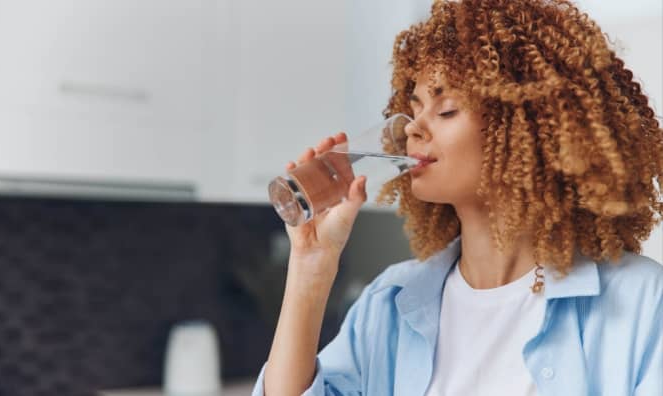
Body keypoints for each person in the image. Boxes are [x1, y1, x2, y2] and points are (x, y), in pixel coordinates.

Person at [253, 0, 663, 394]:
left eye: (446, 110)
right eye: (414, 109)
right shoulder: (389, 304)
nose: (413, 129)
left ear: (533, 128)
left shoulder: (642, 302)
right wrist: (310, 266)